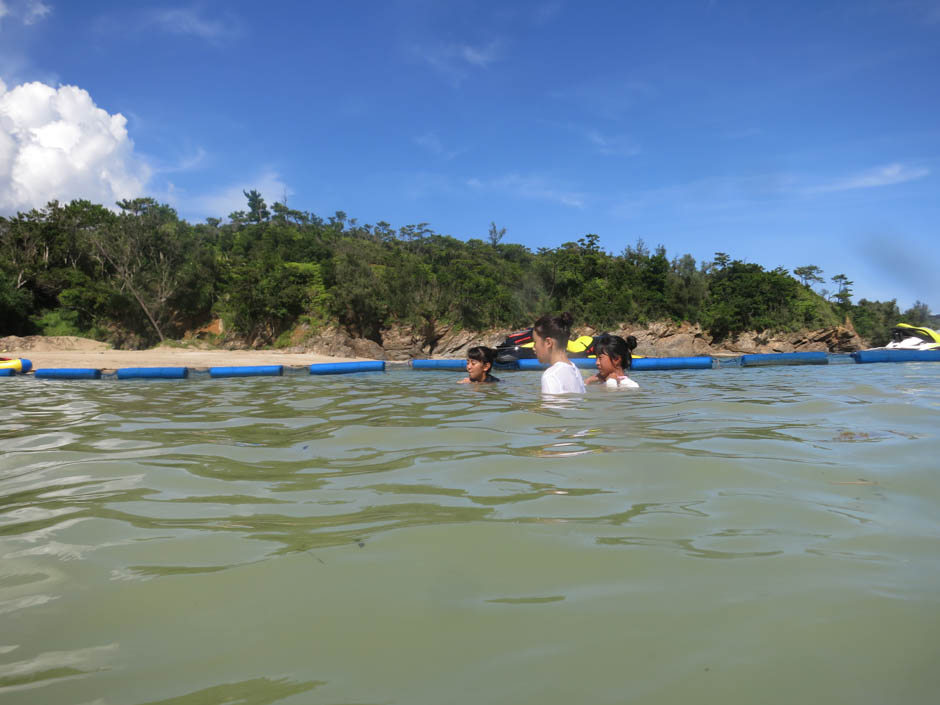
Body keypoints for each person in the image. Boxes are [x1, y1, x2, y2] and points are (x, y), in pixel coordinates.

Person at [532, 312, 586, 394]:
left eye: (535, 342)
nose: (534, 347)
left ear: (548, 342)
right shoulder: (575, 370)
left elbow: (551, 406)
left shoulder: (550, 376)